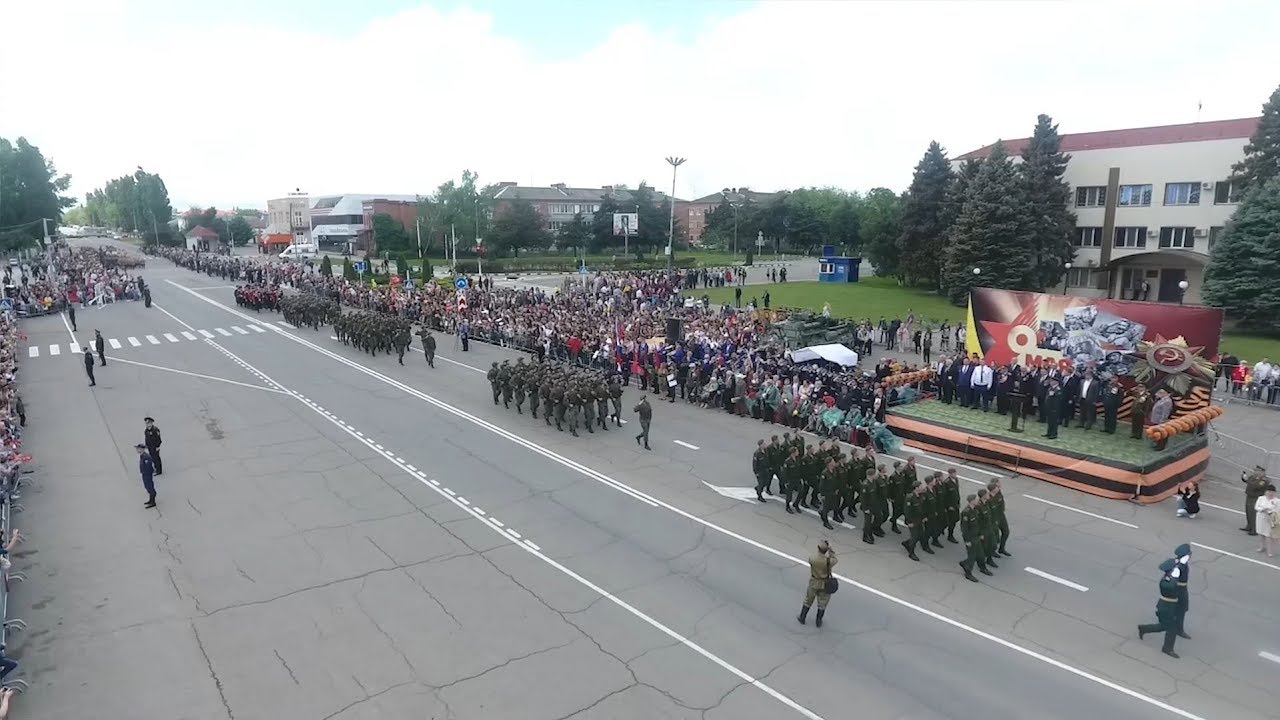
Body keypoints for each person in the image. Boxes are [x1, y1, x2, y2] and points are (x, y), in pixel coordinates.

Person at [1137, 558, 1182, 659]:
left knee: (1164, 626)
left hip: (1170, 606)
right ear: (1170, 570)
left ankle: (1143, 628)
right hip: (1166, 607)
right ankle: (1167, 649)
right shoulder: (1165, 582)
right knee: (1172, 628)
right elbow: (1171, 587)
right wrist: (1175, 578)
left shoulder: (1170, 578)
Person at [797, 540, 837, 627]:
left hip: (814, 581)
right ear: (826, 550)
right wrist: (831, 550)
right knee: (822, 603)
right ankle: (818, 621)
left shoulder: (812, 558)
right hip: (825, 583)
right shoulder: (828, 561)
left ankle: (802, 617)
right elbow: (835, 559)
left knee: (808, 600)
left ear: (818, 548)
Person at [1172, 543, 1192, 640]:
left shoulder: (1179, 563)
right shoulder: (1180, 565)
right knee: (1182, 608)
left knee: (1182, 609)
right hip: (1180, 589)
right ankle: (1178, 629)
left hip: (1182, 588)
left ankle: (1178, 627)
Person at [1242, 466, 1269, 536]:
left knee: (1254, 514)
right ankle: (1249, 526)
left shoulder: (1264, 480)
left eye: (1257, 471)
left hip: (1256, 498)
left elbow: (1256, 486)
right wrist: (1243, 477)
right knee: (1248, 512)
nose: (1255, 472)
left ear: (1262, 472)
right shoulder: (1253, 477)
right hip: (1249, 496)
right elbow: (1247, 481)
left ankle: (1255, 529)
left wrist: (1247, 480)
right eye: (1255, 470)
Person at [1255, 484, 1279, 557]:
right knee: (1260, 533)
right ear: (1266, 492)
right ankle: (1262, 547)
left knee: (1268, 535)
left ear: (1274, 492)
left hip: (1270, 520)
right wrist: (1262, 509)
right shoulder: (1261, 498)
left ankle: (1269, 551)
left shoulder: (1277, 501)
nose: (1270, 493)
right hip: (1260, 518)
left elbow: (1277, 510)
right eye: (1268, 491)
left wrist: (1270, 511)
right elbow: (1256, 507)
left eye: (1272, 492)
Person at [136, 443, 157, 508]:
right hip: (144, 473)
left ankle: (153, 501)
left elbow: (149, 466)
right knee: (147, 486)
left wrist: (146, 473)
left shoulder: (146, 457)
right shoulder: (142, 456)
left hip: (147, 474)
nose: (137, 450)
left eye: (138, 448)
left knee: (149, 486)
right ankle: (151, 499)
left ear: (142, 449)